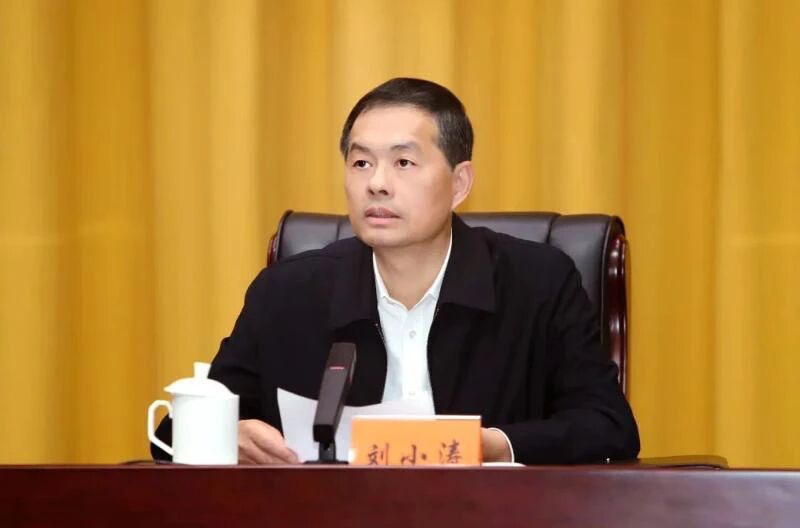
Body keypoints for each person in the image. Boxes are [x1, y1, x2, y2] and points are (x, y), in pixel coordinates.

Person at [152, 77, 639, 465]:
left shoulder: (537, 282)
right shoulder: (287, 293)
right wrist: (227, 435)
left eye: (403, 162)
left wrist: (492, 445)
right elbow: (171, 437)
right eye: (361, 163)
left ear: (459, 183)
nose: (378, 184)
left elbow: (608, 427)